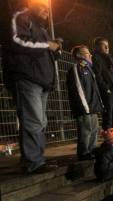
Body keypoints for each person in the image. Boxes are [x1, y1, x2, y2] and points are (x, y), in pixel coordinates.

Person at [5, 0, 62, 173]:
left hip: (42, 81)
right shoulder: (21, 16)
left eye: (48, 7)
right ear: (32, 4)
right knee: (33, 121)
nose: (47, 10)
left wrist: (56, 49)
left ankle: (35, 159)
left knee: (40, 121)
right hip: (27, 78)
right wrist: (48, 45)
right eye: (43, 6)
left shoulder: (42, 29)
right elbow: (17, 41)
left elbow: (46, 54)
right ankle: (34, 162)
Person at [67, 45, 103, 160]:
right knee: (85, 130)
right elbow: (78, 89)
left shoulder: (89, 69)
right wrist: (85, 107)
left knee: (94, 129)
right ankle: (83, 153)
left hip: (92, 106)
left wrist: (98, 104)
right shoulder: (77, 68)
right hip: (84, 107)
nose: (90, 55)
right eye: (87, 53)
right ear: (79, 55)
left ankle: (91, 150)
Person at [92, 37, 113, 130]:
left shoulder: (110, 59)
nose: (107, 47)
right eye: (104, 45)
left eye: (108, 46)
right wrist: (106, 89)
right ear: (97, 46)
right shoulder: (96, 58)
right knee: (108, 118)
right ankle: (109, 141)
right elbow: (97, 76)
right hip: (109, 92)